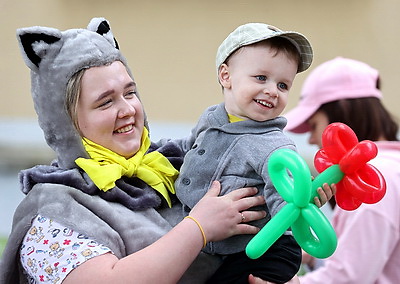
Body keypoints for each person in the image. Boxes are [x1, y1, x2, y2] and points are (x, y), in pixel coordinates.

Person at [0, 18, 268, 284]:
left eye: (129, 93)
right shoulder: (51, 209)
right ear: (67, 121)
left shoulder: (173, 166)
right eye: (105, 102)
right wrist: (198, 228)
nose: (128, 109)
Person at [173, 23, 335, 284]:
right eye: (261, 78)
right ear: (226, 76)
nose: (272, 90)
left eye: (283, 85)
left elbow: (286, 197)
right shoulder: (211, 117)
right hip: (213, 246)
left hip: (264, 250)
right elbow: (188, 148)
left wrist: (302, 204)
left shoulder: (274, 146)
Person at [284, 56, 400, 283]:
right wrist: (313, 258)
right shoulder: (391, 167)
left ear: (343, 113)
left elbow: (349, 278)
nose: (312, 139)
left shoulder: (371, 178)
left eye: (315, 125)